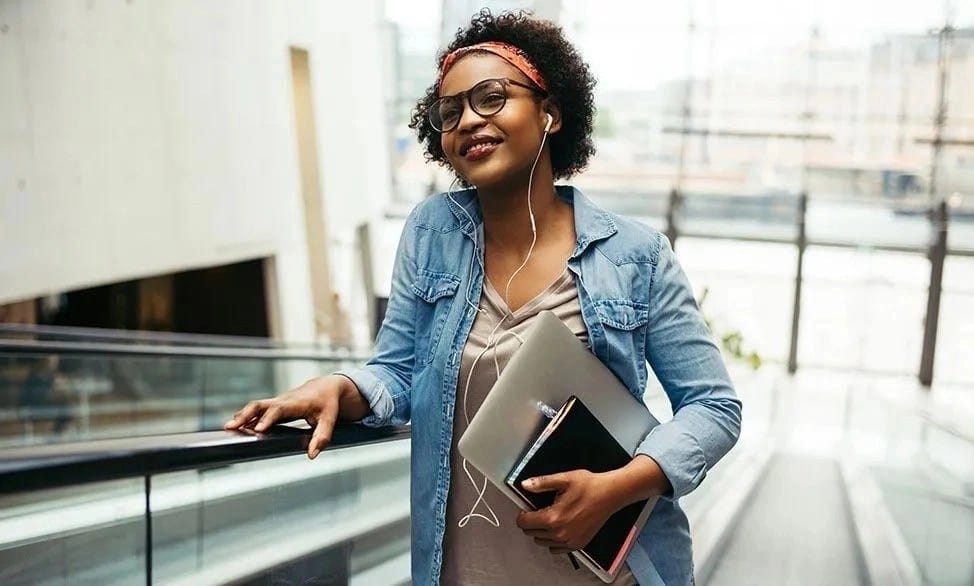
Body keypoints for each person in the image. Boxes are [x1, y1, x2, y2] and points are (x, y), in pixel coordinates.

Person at [225, 10, 741, 585]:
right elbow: (399, 372)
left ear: (550, 112)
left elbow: (714, 408)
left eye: (492, 97)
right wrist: (342, 388)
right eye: (451, 111)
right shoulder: (431, 232)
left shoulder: (634, 256)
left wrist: (616, 487)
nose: (469, 119)